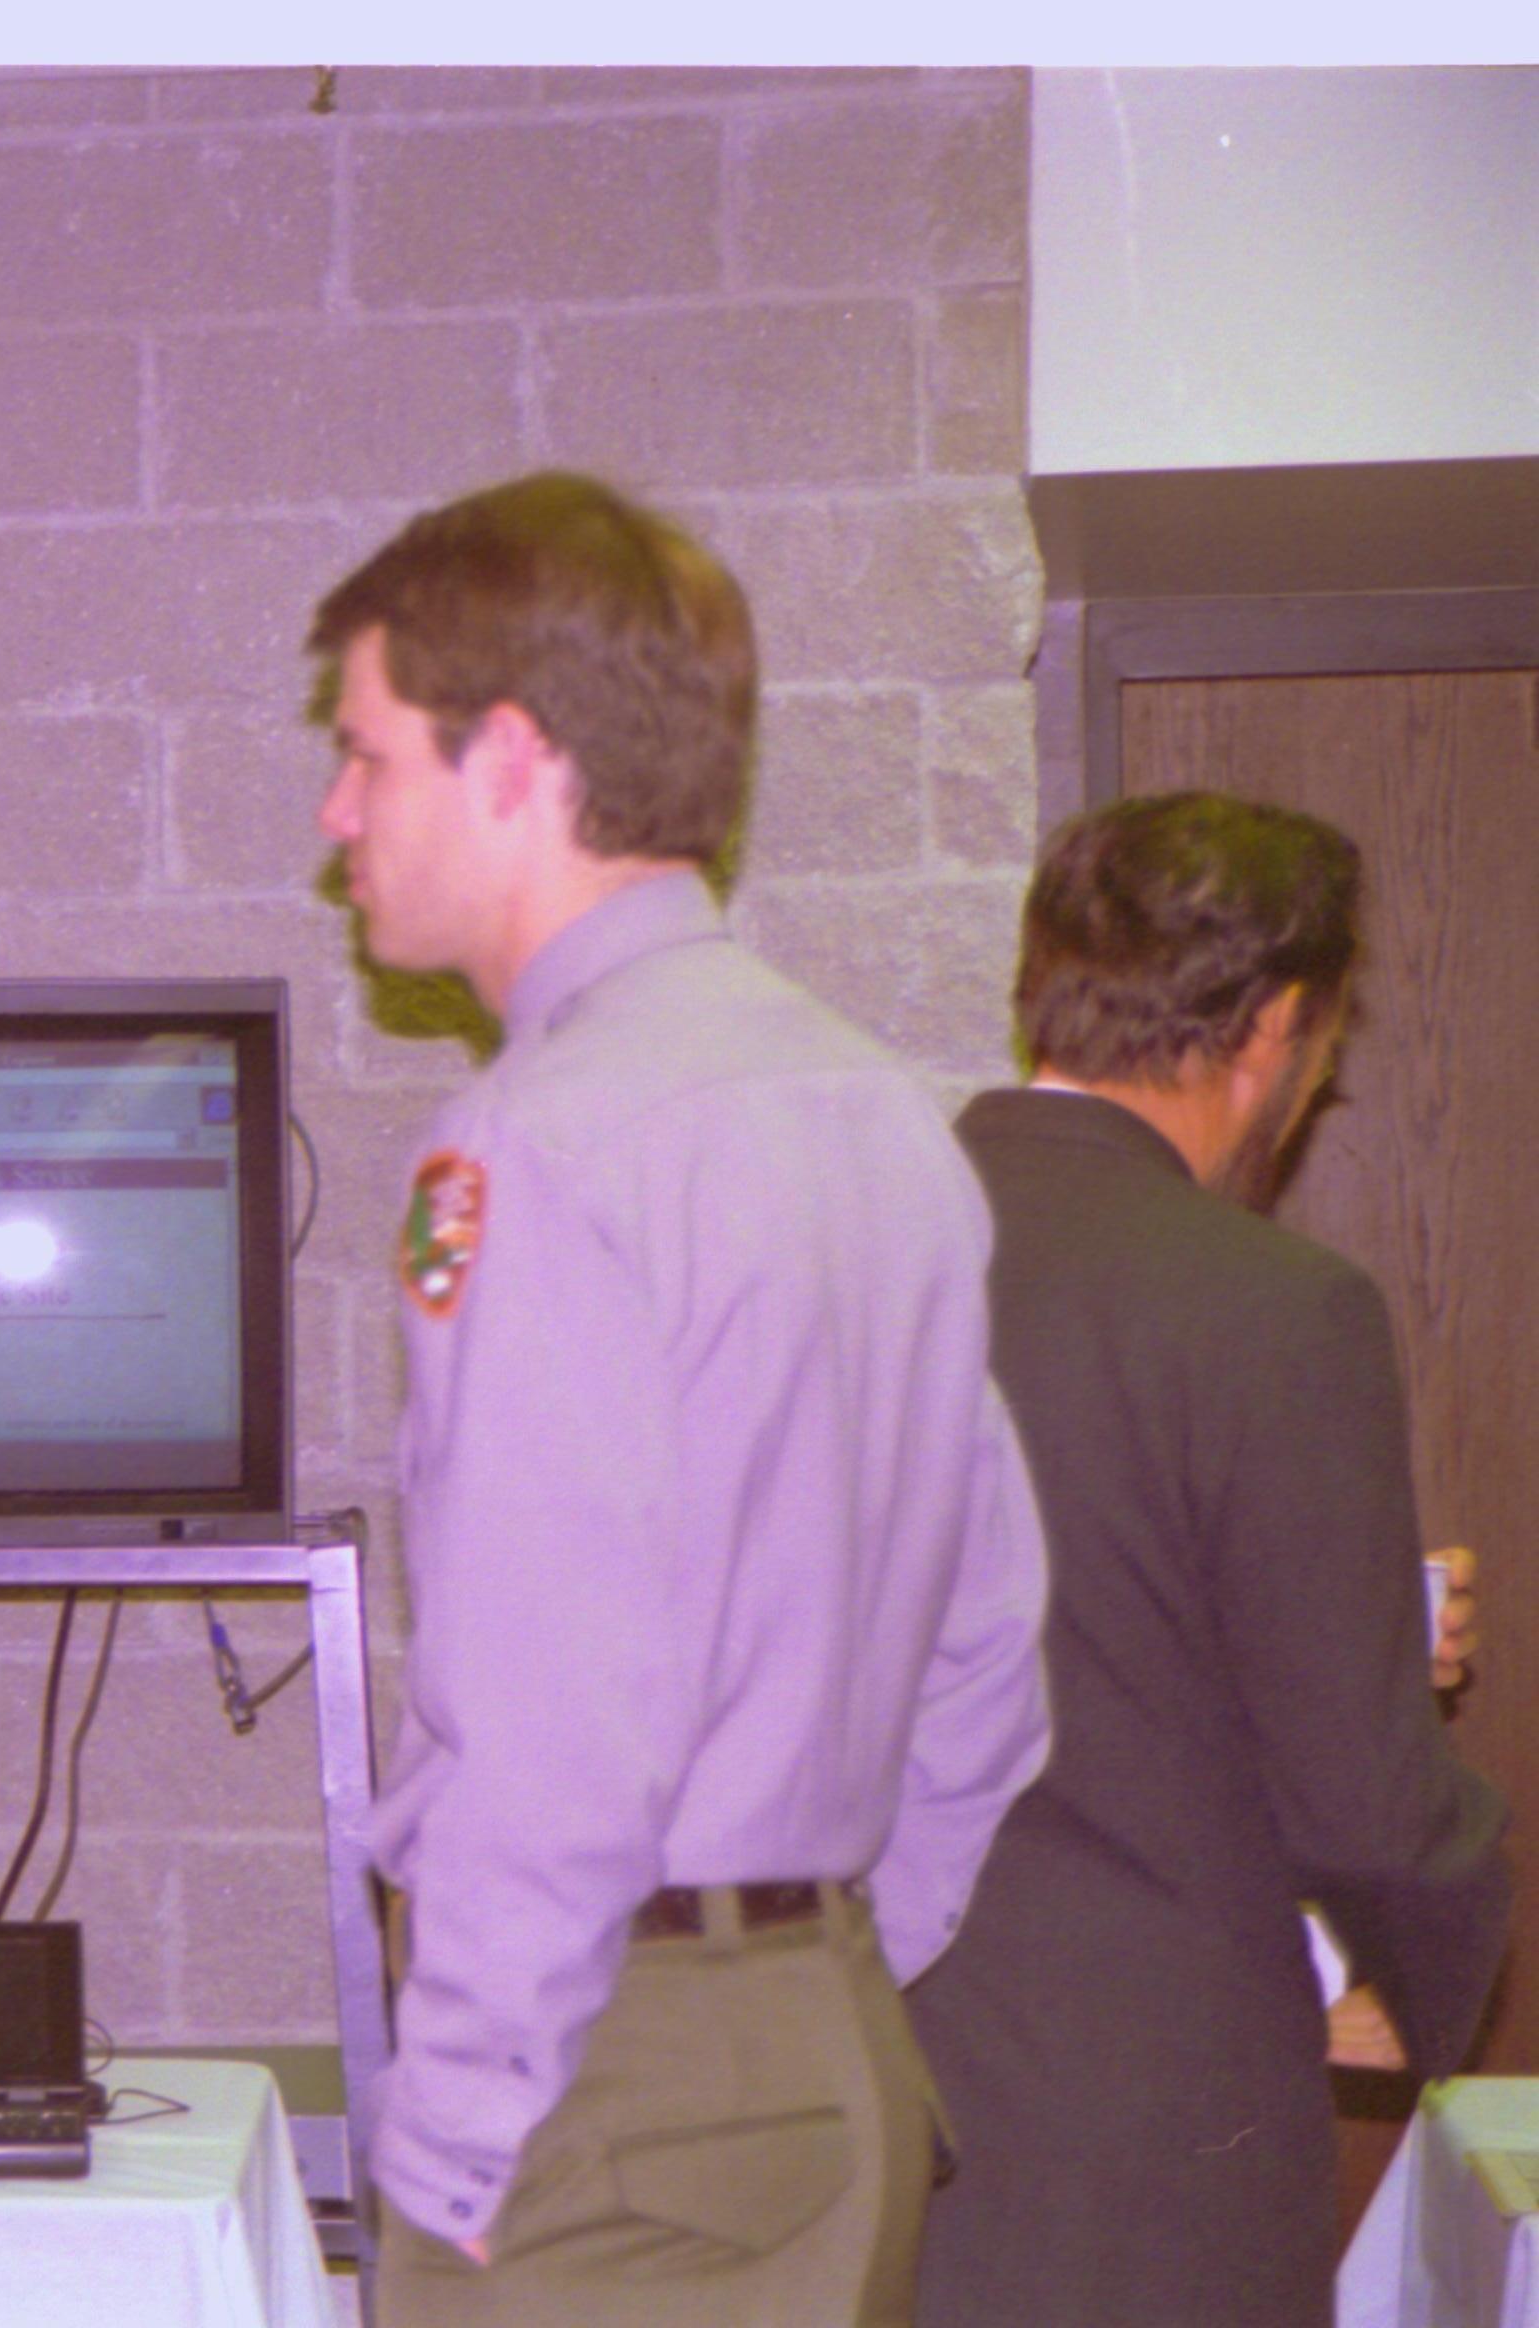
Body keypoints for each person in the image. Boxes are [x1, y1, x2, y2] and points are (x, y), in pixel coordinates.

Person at [309, 470, 1053, 2326]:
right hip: (826, 2060)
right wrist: (815, 1969)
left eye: (367, 756)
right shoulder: (880, 1110)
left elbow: (554, 1724)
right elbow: (986, 1661)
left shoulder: (536, 1149)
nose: (337, 821)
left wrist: (457, 2134)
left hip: (604, 2104)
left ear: (515, 764)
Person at [907, 791, 1510, 2328]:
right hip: (1147, 2156)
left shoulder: (846, 1260)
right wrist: (1429, 1985)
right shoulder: (1273, 1310)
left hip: (852, 2098)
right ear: (1280, 1026)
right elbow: (1367, 1804)